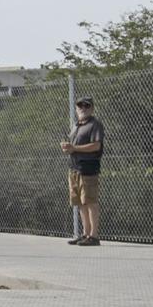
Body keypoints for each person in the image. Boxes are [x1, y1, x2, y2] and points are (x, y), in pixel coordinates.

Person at [61, 98, 104, 246]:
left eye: (87, 106)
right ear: (76, 108)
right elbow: (74, 145)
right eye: (80, 105)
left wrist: (75, 148)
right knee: (80, 203)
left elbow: (96, 146)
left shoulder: (95, 125)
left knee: (90, 202)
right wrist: (68, 147)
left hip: (88, 168)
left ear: (92, 109)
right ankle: (86, 234)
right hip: (74, 168)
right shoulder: (76, 125)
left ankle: (94, 236)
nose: (83, 108)